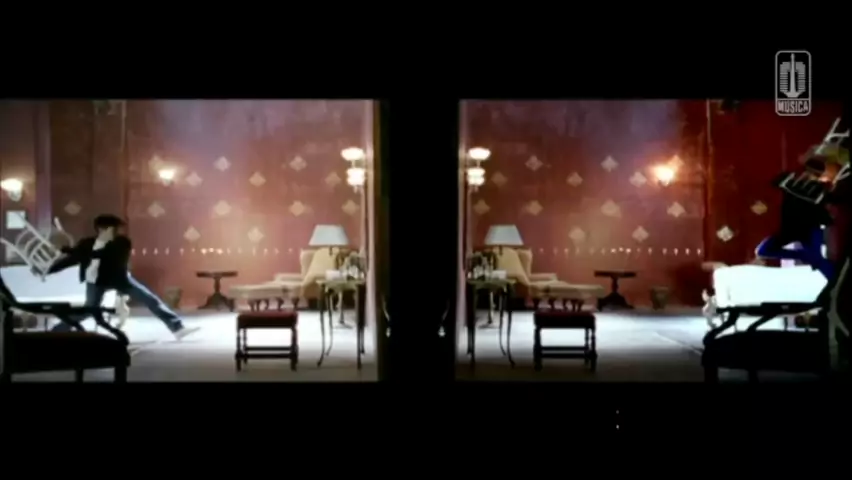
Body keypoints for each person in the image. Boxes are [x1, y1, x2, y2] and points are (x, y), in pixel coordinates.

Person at [44, 214, 200, 340]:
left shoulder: (122, 243)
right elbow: (73, 260)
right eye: (114, 228)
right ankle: (58, 330)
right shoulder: (87, 243)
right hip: (96, 281)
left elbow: (107, 257)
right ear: (102, 229)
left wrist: (75, 251)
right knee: (89, 310)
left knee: (150, 300)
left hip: (119, 279)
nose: (118, 231)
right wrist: (50, 269)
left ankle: (177, 328)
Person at [756, 159, 834, 279]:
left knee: (817, 260)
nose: (808, 175)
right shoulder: (791, 181)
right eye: (807, 172)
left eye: (813, 174)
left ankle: (834, 279)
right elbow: (773, 183)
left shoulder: (819, 189)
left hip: (809, 229)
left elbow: (827, 205)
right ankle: (805, 256)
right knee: (763, 250)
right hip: (790, 228)